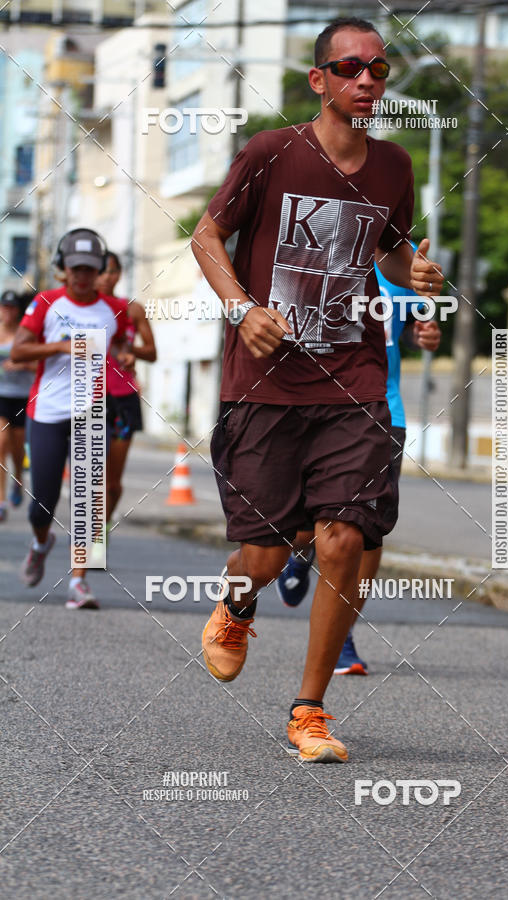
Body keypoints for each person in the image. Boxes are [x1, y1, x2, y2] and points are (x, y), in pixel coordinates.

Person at [192, 16, 444, 763]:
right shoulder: (270, 153)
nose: (366, 79)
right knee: (265, 558)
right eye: (349, 67)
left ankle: (310, 709)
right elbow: (206, 237)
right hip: (266, 383)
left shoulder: (394, 165)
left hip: (353, 379)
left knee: (345, 538)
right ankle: (238, 605)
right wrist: (241, 310)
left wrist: (412, 272)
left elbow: (389, 250)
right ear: (318, 79)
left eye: (378, 69)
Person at [276, 260, 442, 674]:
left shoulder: (400, 265)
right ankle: (300, 552)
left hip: (382, 410)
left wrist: (426, 331)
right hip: (312, 406)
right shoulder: (316, 253)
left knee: (365, 532)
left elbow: (418, 327)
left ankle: (342, 635)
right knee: (305, 525)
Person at [11, 228, 126, 608]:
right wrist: (61, 346)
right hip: (47, 412)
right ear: (64, 267)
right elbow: (19, 351)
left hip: (92, 412)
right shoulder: (46, 302)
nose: (82, 276)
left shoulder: (113, 309)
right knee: (41, 504)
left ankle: (79, 582)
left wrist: (126, 354)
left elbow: (123, 342)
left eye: (90, 269)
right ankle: (41, 542)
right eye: (76, 268)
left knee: (89, 498)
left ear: (99, 270)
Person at [95, 252, 156, 524]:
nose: (106, 277)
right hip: (89, 398)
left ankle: (101, 531)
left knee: (112, 481)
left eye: (112, 271)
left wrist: (131, 351)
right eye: (101, 271)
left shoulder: (132, 310)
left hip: (123, 399)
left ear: (119, 274)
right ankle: (90, 534)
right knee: (91, 477)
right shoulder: (83, 311)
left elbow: (152, 352)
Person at [0, 290, 36, 521]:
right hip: (1, 396)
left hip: (22, 397)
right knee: (0, 443)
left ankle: (18, 480)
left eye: (12, 307)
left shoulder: (26, 335)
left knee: (17, 449)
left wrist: (22, 364)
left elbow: (40, 364)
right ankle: (1, 501)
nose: (8, 311)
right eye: (4, 306)